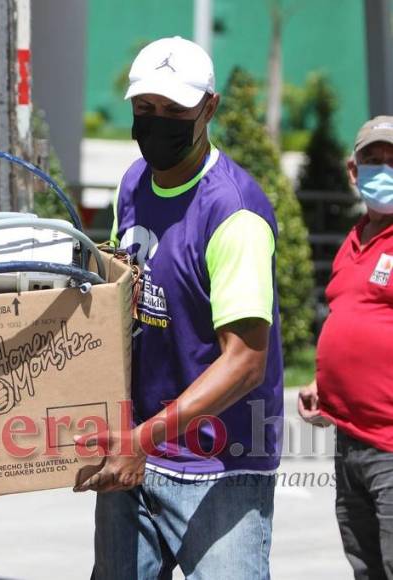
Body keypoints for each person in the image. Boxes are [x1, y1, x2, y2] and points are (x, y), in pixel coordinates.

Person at [74, 37, 284, 579]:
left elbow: (244, 362)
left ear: (208, 108)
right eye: (145, 110)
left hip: (221, 468)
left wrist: (139, 441)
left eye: (174, 111)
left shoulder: (234, 214)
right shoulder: (133, 184)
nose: (157, 123)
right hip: (137, 457)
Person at [298, 116, 393, 580]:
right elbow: (354, 319)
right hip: (350, 440)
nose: (384, 171)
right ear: (353, 172)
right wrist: (325, 383)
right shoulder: (354, 241)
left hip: (390, 445)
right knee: (365, 566)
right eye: (373, 161)